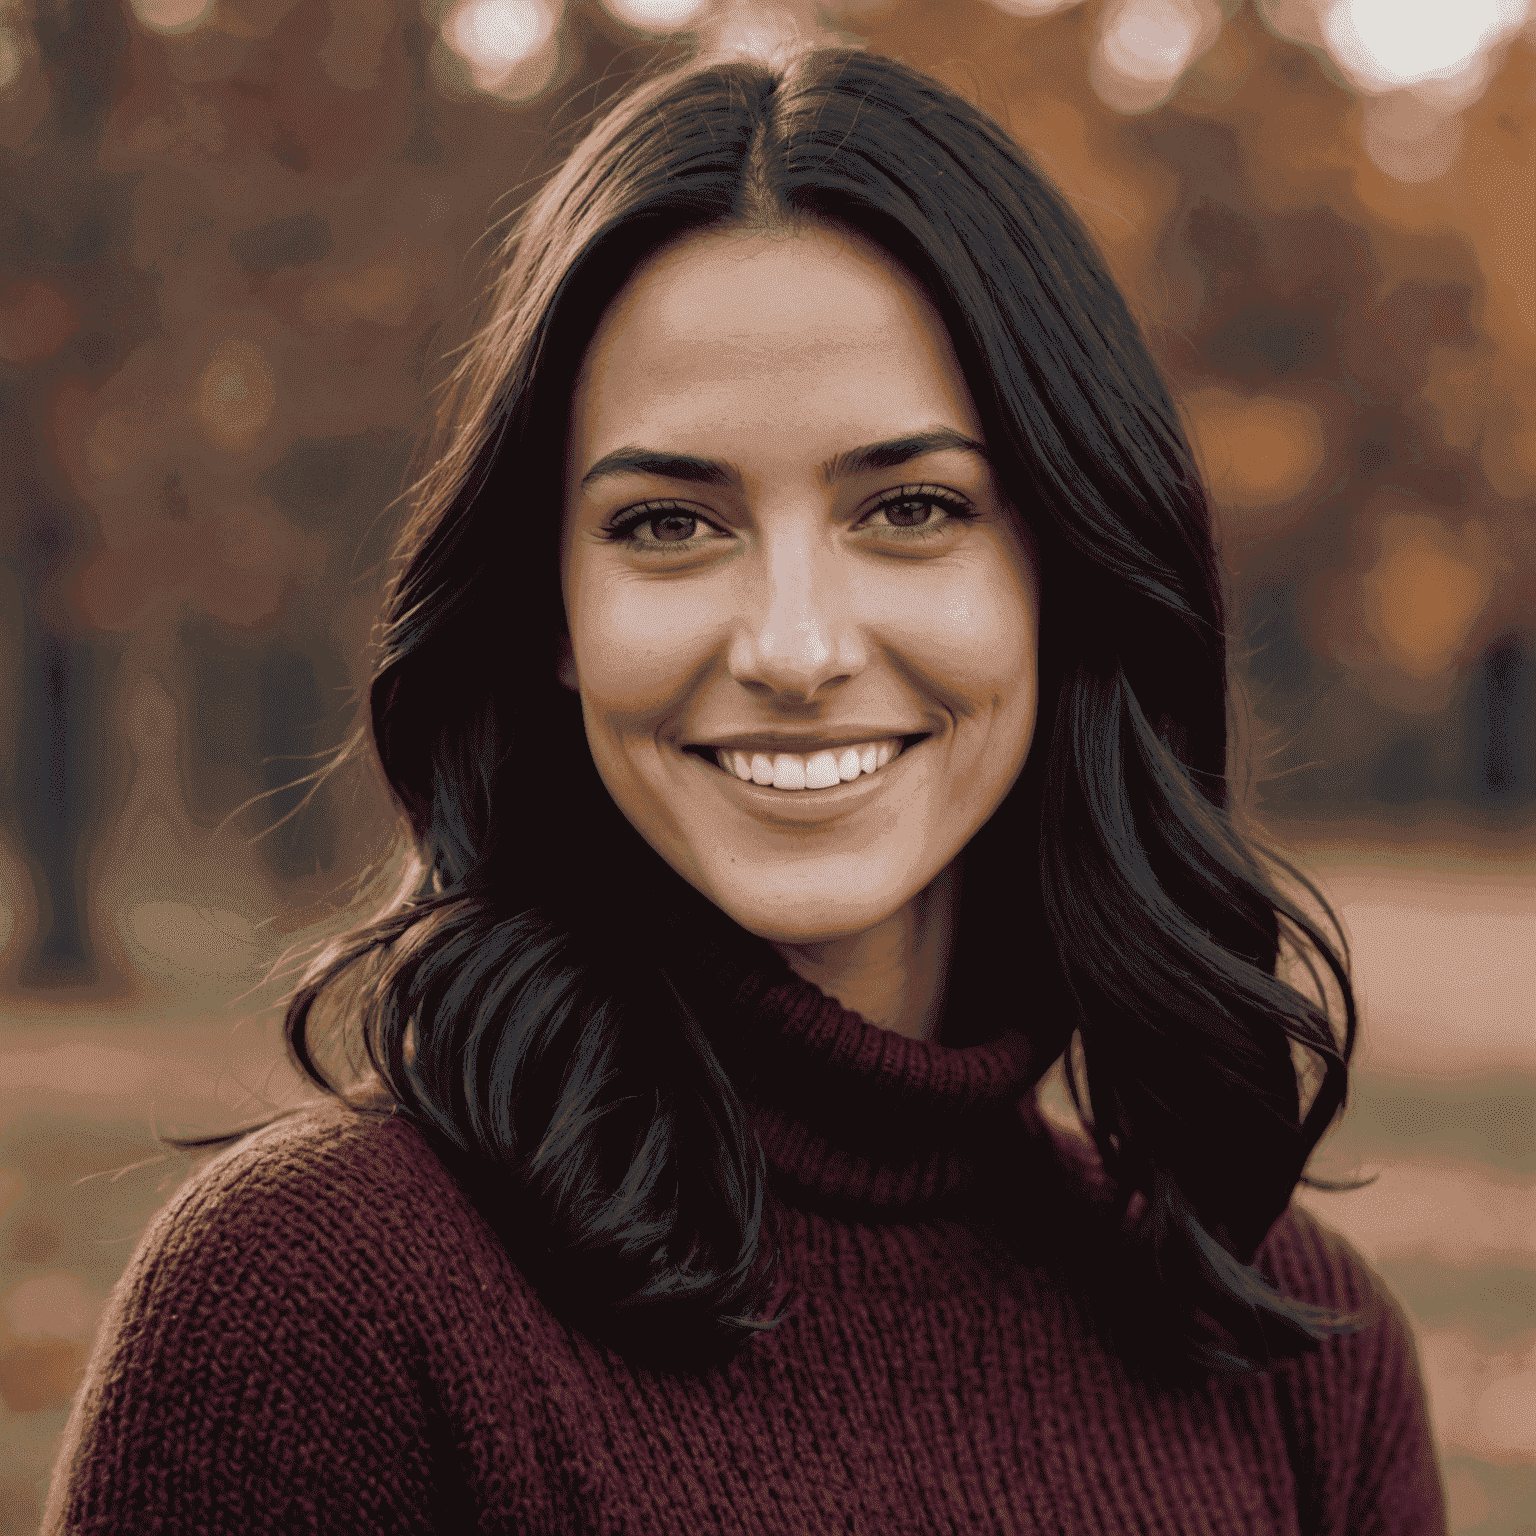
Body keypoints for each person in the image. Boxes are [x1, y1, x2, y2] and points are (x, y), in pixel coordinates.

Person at [43, 44, 1446, 1535]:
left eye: (911, 509)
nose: (792, 646)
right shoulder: (318, 1309)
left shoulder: (1297, 1349)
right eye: (667, 524)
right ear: (549, 619)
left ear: (1069, 574)